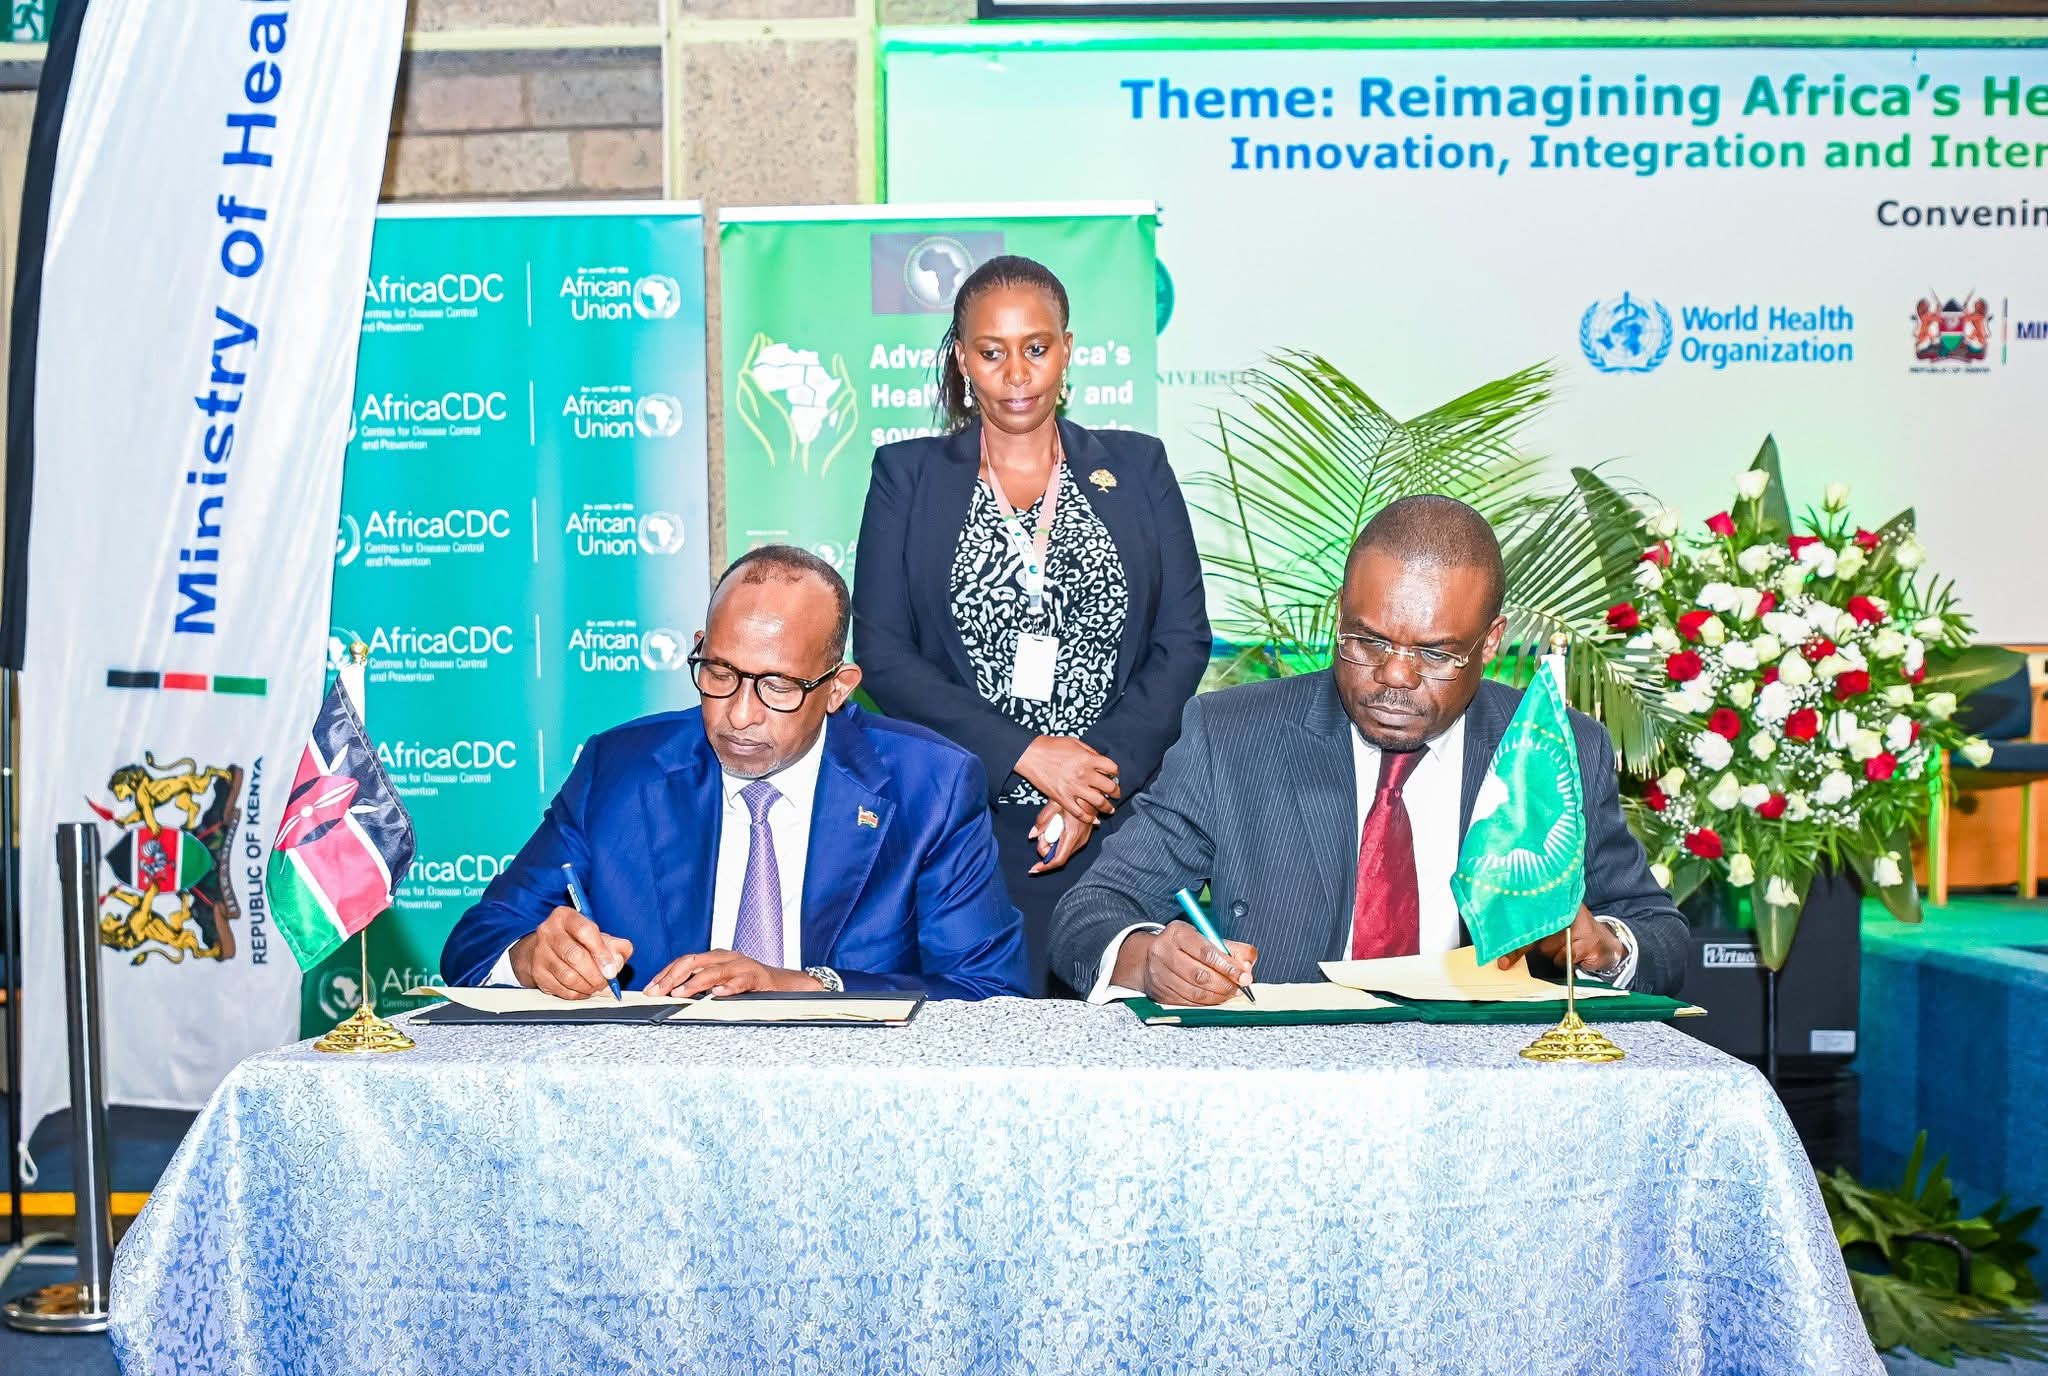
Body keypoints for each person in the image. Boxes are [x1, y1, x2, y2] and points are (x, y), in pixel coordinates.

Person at [1047, 495, 1689, 1005]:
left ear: (1490, 643)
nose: (1395, 676)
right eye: (1367, 640)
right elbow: (1091, 912)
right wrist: (1148, 957)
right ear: (1339, 615)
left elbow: (1659, 934)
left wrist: (1605, 948)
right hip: (1288, 1085)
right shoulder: (1234, 737)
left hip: (1493, 1085)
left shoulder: (1552, 746)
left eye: (1436, 653)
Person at [441, 546, 1028, 1002]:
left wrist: (806, 989)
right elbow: (475, 941)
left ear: (838, 689)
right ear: (699, 648)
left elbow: (991, 995)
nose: (740, 715)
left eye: (777, 686)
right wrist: (527, 956)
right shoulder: (620, 771)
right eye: (720, 672)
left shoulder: (930, 788)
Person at [852, 254, 1211, 994]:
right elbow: (883, 656)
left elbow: (1182, 642)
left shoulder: (1138, 469)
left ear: (1068, 350)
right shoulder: (906, 477)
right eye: (992, 352)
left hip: (1113, 828)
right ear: (962, 359)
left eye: (1036, 348)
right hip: (963, 829)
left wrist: (1088, 780)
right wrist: (1027, 754)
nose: (1017, 373)